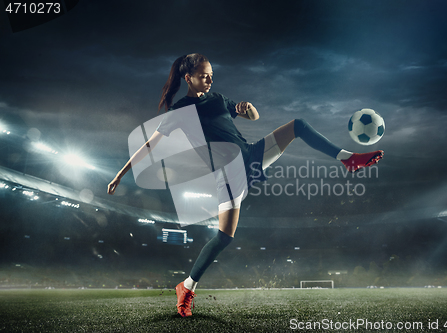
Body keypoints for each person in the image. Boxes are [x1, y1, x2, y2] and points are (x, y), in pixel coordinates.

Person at [107, 53, 383, 317]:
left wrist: (248, 110)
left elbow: (254, 118)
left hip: (251, 155)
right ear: (189, 78)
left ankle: (347, 159)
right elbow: (149, 145)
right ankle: (187, 287)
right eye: (204, 76)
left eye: (212, 75)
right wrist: (121, 174)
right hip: (227, 174)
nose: (210, 80)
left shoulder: (217, 98)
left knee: (297, 125)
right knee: (225, 237)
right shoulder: (179, 111)